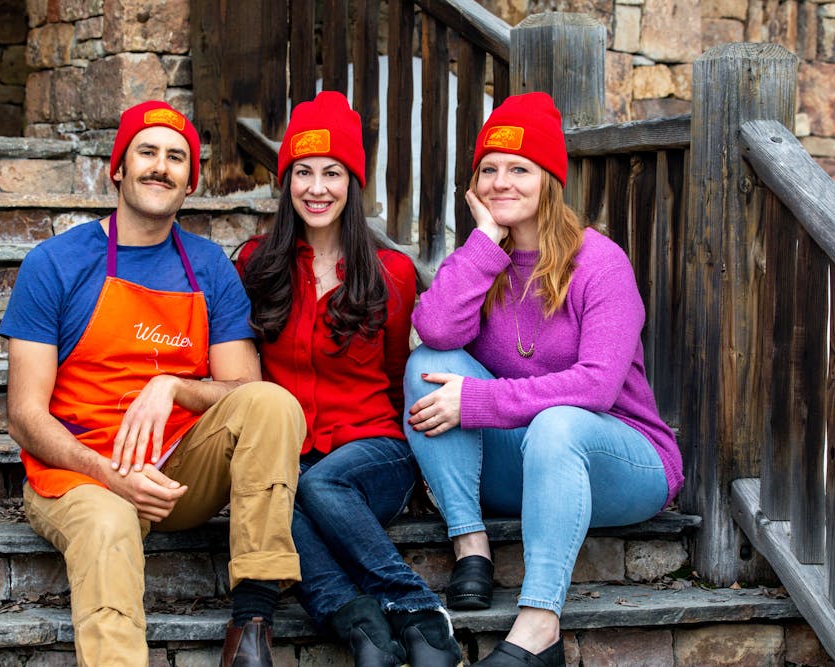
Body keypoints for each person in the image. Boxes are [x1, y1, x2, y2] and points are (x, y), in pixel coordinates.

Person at [0, 100, 305, 667]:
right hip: (78, 473)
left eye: (177, 157)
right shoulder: (56, 263)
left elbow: (243, 388)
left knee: (272, 403)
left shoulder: (209, 266)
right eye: (147, 152)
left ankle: (255, 623)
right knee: (110, 520)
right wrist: (111, 478)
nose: (160, 166)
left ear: (189, 182)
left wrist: (175, 387)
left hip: (177, 473)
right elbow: (24, 414)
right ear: (117, 168)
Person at [402, 92, 684, 667]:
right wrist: (484, 245)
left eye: (519, 169)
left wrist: (481, 401)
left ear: (549, 180)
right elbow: (433, 326)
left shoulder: (599, 262)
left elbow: (596, 389)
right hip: (527, 466)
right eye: (489, 170)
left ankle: (538, 627)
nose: (501, 182)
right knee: (429, 365)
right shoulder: (484, 258)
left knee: (557, 423)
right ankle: (470, 545)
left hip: (623, 463)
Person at [236, 91, 461, 667]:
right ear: (286, 182)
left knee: (317, 486)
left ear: (352, 183)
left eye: (332, 173)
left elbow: (393, 374)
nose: (317, 187)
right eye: (303, 172)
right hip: (292, 453)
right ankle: (357, 620)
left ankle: (415, 604)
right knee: (274, 497)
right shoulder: (256, 265)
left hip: (374, 452)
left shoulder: (392, 273)